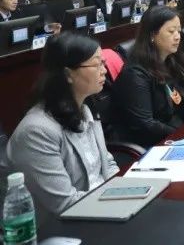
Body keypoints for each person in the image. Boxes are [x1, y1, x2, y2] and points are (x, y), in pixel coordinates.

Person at [7, 33, 119, 215]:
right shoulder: (36, 131)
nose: (104, 70)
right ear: (68, 74)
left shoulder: (86, 108)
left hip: (104, 205)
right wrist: (114, 204)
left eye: (103, 63)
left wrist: (126, 191)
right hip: (71, 221)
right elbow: (65, 203)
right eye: (97, 64)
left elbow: (107, 164)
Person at [112, 7, 184, 147]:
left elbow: (183, 104)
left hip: (174, 134)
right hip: (151, 143)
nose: (178, 36)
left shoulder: (171, 61)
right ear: (152, 35)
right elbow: (146, 124)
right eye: (171, 31)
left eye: (179, 31)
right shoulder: (135, 74)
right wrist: (181, 136)